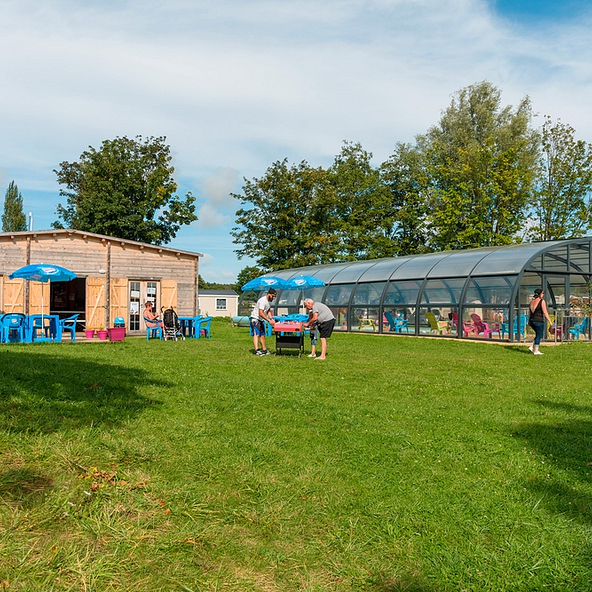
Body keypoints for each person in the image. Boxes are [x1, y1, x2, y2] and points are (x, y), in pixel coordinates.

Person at [250, 288, 276, 355]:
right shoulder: (263, 301)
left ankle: (264, 350)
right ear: (268, 294)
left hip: (260, 319)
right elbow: (260, 313)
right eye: (273, 296)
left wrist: (271, 318)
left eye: (274, 296)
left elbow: (268, 311)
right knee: (257, 334)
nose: (273, 298)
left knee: (262, 335)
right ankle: (257, 350)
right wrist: (268, 320)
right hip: (255, 319)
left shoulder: (267, 302)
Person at [528, 288, 552, 355]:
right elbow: (545, 312)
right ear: (539, 294)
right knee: (539, 335)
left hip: (532, 321)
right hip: (539, 321)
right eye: (542, 293)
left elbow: (529, 312)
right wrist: (550, 321)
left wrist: (529, 321)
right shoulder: (542, 301)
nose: (543, 295)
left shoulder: (532, 301)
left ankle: (531, 347)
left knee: (538, 334)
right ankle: (536, 351)